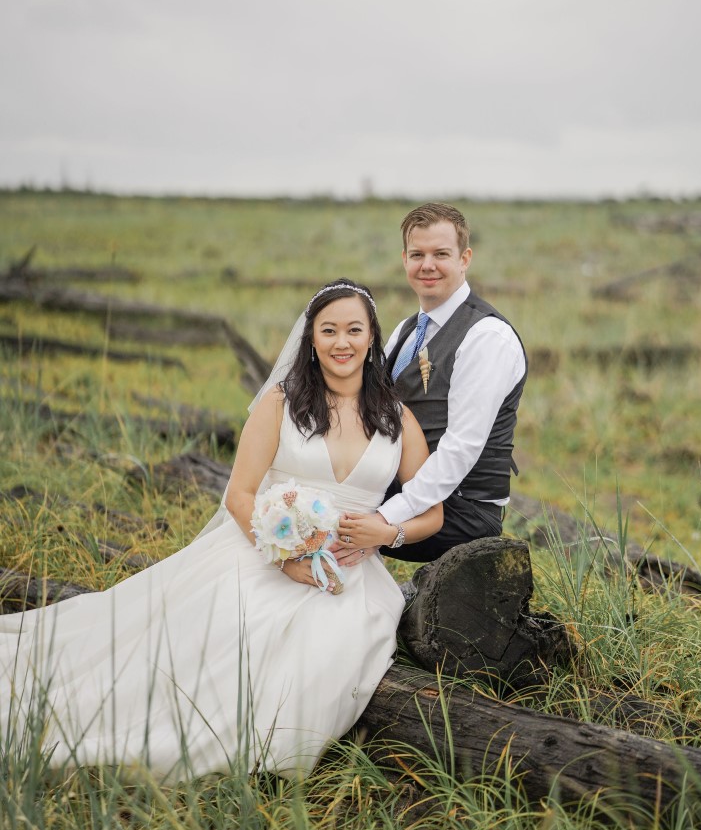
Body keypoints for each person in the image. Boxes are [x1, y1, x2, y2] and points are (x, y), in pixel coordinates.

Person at [0, 280, 441, 781]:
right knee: (216, 634)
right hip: (263, 554)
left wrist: (386, 535)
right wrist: (286, 558)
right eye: (329, 330)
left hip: (352, 576)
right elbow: (240, 495)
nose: (343, 342)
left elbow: (432, 513)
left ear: (371, 338)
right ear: (312, 340)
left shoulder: (396, 419)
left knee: (329, 647)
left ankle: (268, 752)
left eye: (354, 330)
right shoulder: (282, 402)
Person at [378, 203, 527, 564]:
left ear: (464, 258)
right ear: (404, 260)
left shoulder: (486, 336)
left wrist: (385, 516)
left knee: (333, 523)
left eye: (441, 254)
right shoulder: (406, 329)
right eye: (418, 254)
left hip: (461, 512)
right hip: (403, 488)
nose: (427, 265)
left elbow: (461, 448)